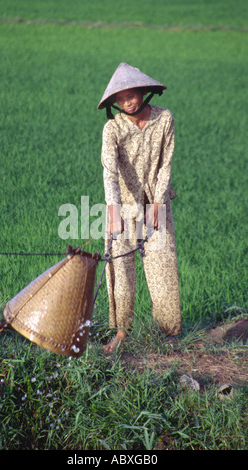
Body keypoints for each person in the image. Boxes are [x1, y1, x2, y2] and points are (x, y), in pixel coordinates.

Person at [98, 63, 181, 352]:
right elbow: (109, 171)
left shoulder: (164, 119)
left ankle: (170, 335)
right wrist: (113, 209)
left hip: (157, 202)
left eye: (131, 95)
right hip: (122, 206)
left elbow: (165, 164)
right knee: (120, 269)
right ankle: (122, 333)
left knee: (163, 265)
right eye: (120, 98)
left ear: (144, 92)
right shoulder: (113, 128)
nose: (126, 102)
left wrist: (158, 204)